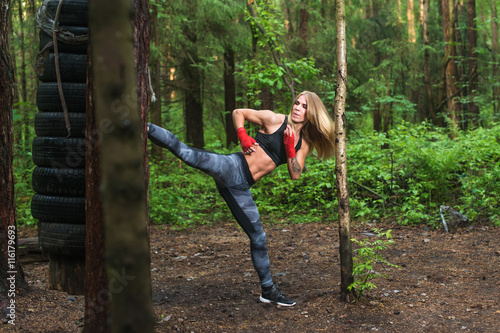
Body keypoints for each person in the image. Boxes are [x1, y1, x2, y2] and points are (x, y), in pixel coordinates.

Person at [147, 91, 335, 307]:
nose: (297, 107)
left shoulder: (303, 143)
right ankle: (145, 127)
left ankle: (268, 291)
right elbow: (239, 112)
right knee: (187, 153)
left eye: (303, 106)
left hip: (240, 188)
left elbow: (295, 174)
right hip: (231, 167)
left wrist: (290, 148)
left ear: (312, 113)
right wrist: (243, 135)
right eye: (296, 103)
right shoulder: (275, 119)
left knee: (259, 237)